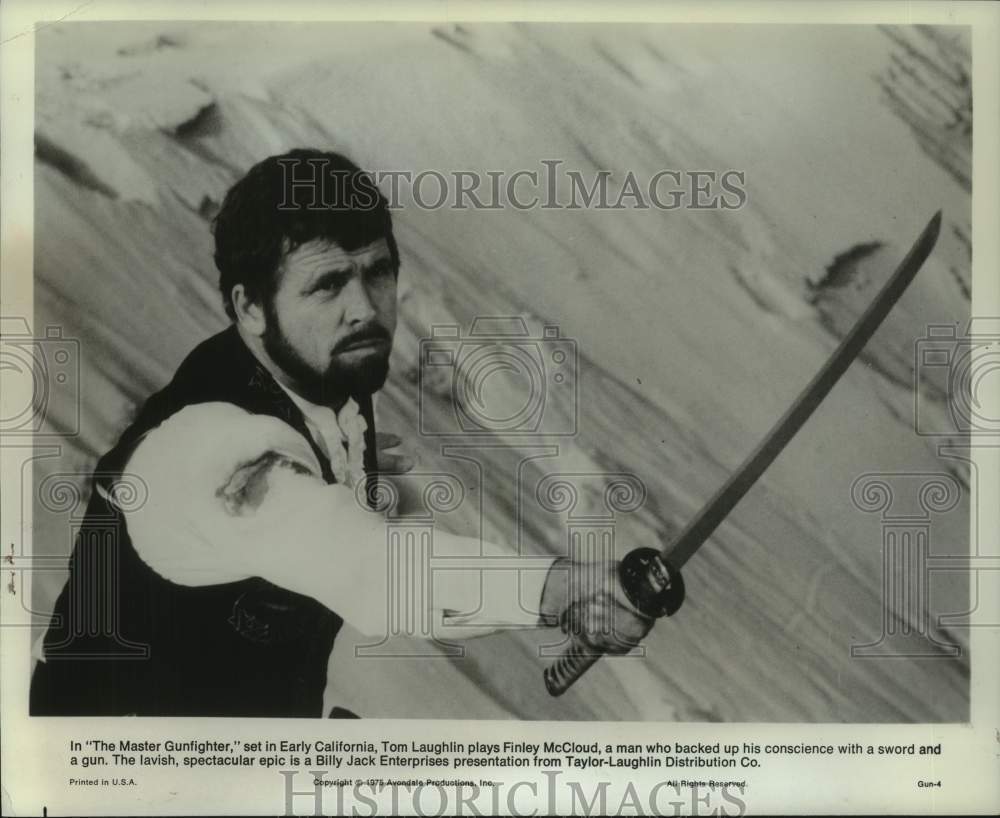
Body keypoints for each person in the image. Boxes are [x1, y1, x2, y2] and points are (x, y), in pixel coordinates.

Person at [30, 149, 653, 717]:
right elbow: (374, 570)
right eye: (327, 283)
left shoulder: (327, 395)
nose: (365, 307)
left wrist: (561, 599)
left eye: (377, 273)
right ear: (250, 307)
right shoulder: (206, 446)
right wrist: (554, 587)